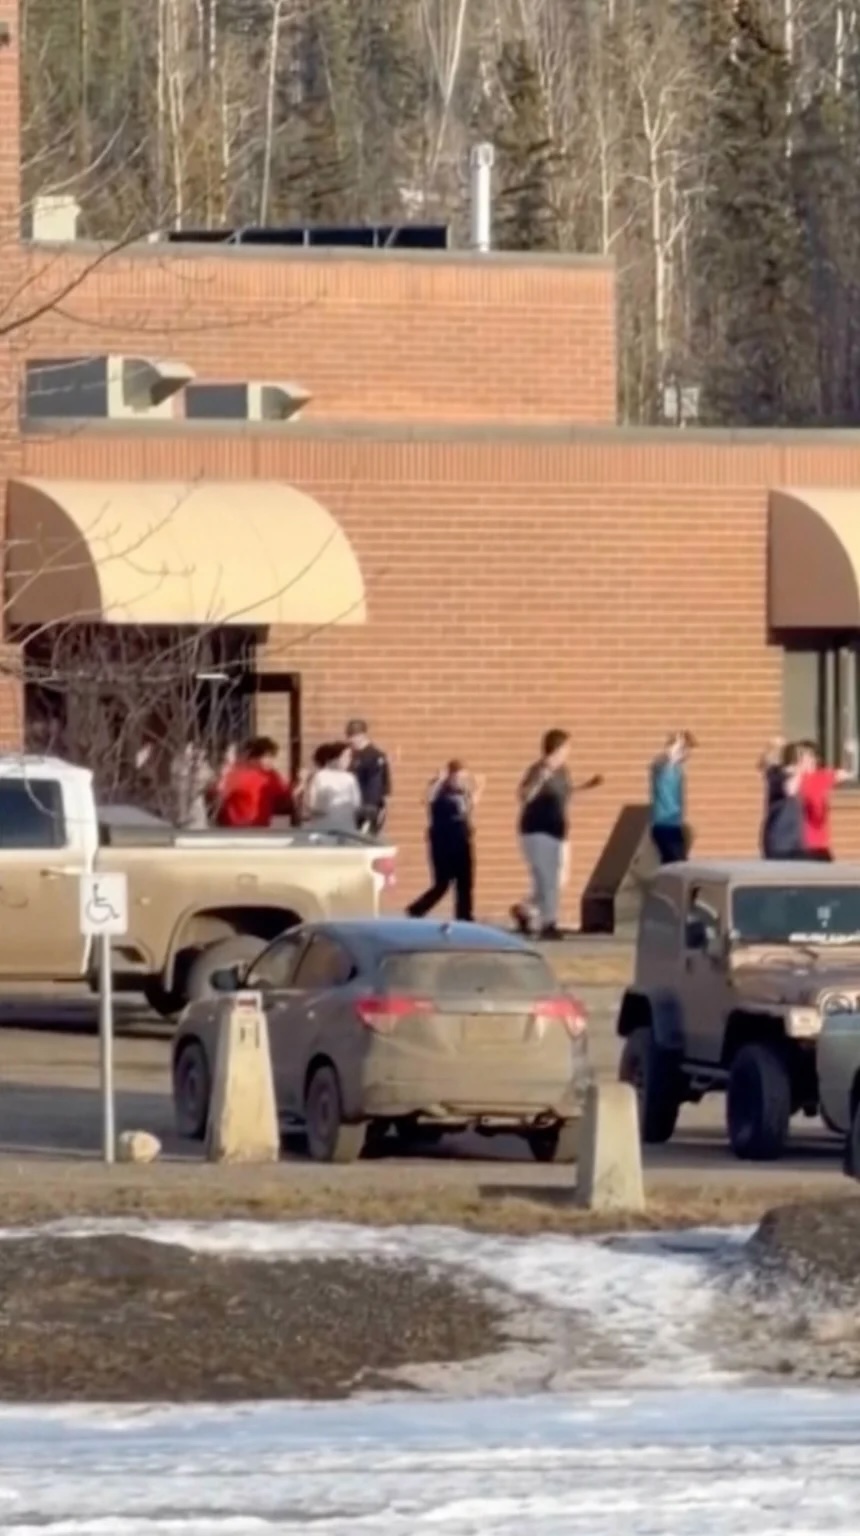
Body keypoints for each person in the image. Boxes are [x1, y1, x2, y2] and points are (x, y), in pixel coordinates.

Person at [512, 729, 603, 939]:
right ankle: (549, 924)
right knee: (549, 879)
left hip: (558, 831)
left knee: (559, 879)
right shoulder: (538, 769)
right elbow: (524, 796)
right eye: (566, 747)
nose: (568, 751)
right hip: (537, 830)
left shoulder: (563, 771)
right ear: (557, 748)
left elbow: (565, 792)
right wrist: (540, 779)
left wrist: (588, 786)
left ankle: (526, 909)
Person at [407, 761, 484, 922]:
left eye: (463, 778)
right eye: (457, 778)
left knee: (465, 882)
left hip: (461, 840)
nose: (460, 782)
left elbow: (469, 807)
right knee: (442, 883)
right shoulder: (440, 791)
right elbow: (426, 799)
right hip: (443, 841)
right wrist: (438, 780)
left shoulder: (463, 793)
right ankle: (416, 910)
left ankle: (464, 916)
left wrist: (478, 788)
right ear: (450, 776)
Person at [214, 736, 294, 828]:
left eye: (272, 757)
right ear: (253, 757)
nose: (270, 761)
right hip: (236, 830)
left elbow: (285, 797)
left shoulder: (272, 776)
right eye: (266, 757)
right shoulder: (241, 774)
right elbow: (219, 792)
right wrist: (226, 768)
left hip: (261, 829)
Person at [795, 739, 855, 861]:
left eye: (811, 756)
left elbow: (848, 773)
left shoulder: (823, 776)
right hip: (801, 844)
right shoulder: (795, 781)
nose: (808, 760)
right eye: (803, 757)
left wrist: (850, 754)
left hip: (820, 844)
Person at [649, 731, 695, 864]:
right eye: (684, 749)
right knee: (677, 864)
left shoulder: (677, 769)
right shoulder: (662, 766)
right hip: (664, 825)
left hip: (674, 824)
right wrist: (675, 748)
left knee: (672, 865)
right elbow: (660, 765)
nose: (687, 753)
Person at [301, 741, 362, 832]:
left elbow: (356, 805)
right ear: (335, 758)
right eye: (345, 756)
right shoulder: (320, 777)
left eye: (350, 757)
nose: (349, 760)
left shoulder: (350, 778)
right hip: (325, 828)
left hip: (345, 828)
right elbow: (314, 805)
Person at [758, 738, 803, 859]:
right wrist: (800, 771)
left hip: (794, 838)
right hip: (780, 839)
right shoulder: (774, 774)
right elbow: (790, 789)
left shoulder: (786, 773)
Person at [345, 718, 392, 834]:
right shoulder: (351, 756)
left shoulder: (374, 756)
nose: (350, 740)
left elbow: (379, 787)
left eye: (353, 736)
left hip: (368, 809)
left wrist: (375, 810)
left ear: (362, 735)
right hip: (353, 809)